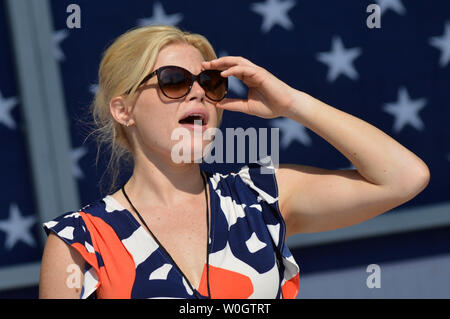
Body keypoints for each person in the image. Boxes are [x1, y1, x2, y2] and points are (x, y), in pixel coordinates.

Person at [39, 25, 430, 299]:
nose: (197, 93)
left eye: (210, 82)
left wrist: (292, 104)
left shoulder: (259, 196)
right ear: (124, 110)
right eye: (174, 81)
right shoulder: (80, 241)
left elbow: (403, 178)